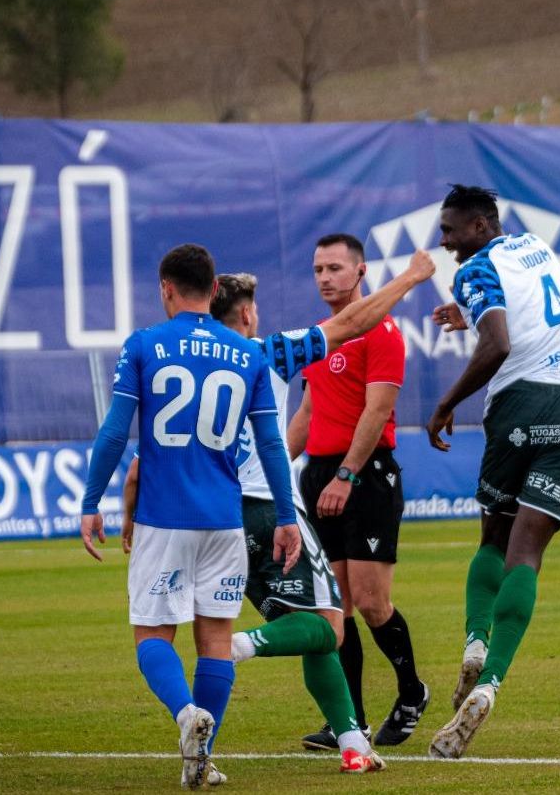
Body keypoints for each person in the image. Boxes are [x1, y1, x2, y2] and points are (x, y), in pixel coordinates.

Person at [120, 250, 437, 774]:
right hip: (269, 510)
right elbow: (355, 321)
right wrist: (410, 277)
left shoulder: (174, 364)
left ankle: (352, 743)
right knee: (326, 626)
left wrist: (128, 516)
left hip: (204, 514)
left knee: (304, 627)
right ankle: (245, 644)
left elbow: (136, 466)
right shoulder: (267, 354)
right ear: (245, 315)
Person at [80, 243, 301, 791]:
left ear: (166, 289)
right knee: (216, 641)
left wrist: (91, 502)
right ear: (213, 290)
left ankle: (185, 715)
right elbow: (272, 443)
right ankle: (201, 761)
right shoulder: (247, 354)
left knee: (152, 634)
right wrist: (286, 515)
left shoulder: (145, 345)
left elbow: (114, 433)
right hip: (225, 520)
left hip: (164, 517)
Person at [422, 184, 560, 759]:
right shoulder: (534, 246)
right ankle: (490, 683)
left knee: (494, 537)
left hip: (520, 402)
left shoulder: (476, 268)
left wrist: (444, 403)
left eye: (451, 230)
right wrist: (468, 307)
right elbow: (534, 302)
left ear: (480, 226)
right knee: (527, 552)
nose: (445, 241)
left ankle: (476, 641)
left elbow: (498, 344)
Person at [288, 233, 429, 750]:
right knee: (335, 607)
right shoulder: (320, 336)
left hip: (366, 477)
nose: (325, 277)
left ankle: (412, 692)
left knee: (371, 602)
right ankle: (350, 723)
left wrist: (346, 476)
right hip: (319, 473)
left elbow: (376, 411)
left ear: (361, 272)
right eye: (318, 269)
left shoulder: (382, 332)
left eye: (334, 268)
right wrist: (277, 467)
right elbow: (308, 411)